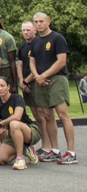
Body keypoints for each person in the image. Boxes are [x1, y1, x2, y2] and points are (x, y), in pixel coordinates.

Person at [30, 11, 76, 164]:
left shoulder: (57, 38)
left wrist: (44, 75)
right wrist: (37, 76)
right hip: (41, 81)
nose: (39, 24)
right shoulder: (35, 41)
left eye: (41, 21)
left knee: (63, 115)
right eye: (36, 22)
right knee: (47, 116)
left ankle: (71, 152)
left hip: (57, 79)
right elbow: (32, 61)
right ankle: (55, 150)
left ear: (48, 22)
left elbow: (61, 61)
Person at [0, 76, 41, 170]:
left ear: (8, 87)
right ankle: (26, 150)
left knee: (14, 123)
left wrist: (1, 123)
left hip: (29, 130)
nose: (0, 88)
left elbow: (17, 116)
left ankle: (20, 159)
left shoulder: (17, 98)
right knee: (0, 159)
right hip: (13, 133)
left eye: (2, 86)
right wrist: (1, 126)